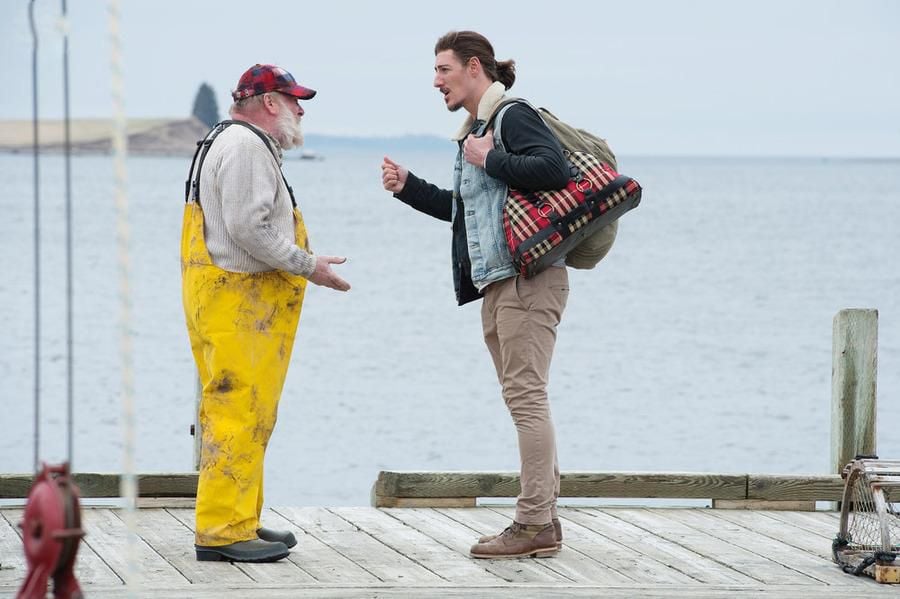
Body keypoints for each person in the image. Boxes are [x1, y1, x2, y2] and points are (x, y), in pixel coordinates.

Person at [381, 31, 570, 559]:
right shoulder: (478, 131)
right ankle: (545, 521)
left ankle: (533, 522)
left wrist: (491, 160)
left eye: (443, 70)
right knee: (524, 397)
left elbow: (552, 167)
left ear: (473, 68)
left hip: (529, 278)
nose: (436, 81)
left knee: (527, 397)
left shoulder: (510, 116)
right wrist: (409, 187)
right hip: (499, 280)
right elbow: (467, 213)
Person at [182, 63, 350, 563]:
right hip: (240, 305)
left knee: (248, 414)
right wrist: (309, 266)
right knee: (236, 415)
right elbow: (249, 229)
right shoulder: (246, 147)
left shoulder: (224, 140)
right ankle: (221, 532)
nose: (301, 109)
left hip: (227, 300)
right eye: (294, 99)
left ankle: (242, 518)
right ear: (270, 103)